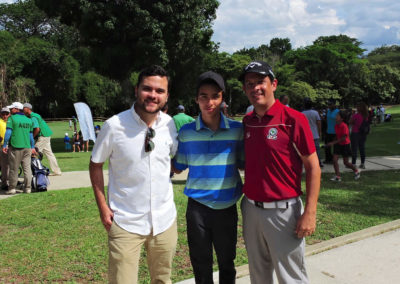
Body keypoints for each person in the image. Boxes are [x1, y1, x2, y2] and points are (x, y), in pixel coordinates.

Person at [89, 65, 178, 284]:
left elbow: (174, 161)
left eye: (160, 91)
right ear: (137, 89)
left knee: (163, 280)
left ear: (167, 95)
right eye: (148, 89)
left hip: (164, 220)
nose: (153, 95)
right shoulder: (114, 126)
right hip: (125, 220)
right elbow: (95, 165)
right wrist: (103, 207)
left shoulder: (169, 124)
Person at [239, 61, 321, 284]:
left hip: (284, 212)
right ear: (245, 89)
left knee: (291, 277)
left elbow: (313, 166)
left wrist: (310, 213)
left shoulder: (293, 119)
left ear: (273, 84)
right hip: (251, 209)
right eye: (249, 84)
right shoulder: (247, 122)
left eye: (261, 82)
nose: (255, 88)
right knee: (258, 275)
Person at [172, 71, 244, 284]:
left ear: (222, 98)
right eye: (203, 96)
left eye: (215, 96)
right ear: (196, 99)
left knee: (227, 263)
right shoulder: (186, 132)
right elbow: (177, 166)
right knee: (201, 264)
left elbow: (245, 162)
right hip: (197, 209)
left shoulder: (237, 130)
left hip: (227, 206)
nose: (209, 101)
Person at [2, 102, 36, 195]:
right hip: (27, 147)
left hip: (15, 147)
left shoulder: (12, 118)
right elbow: (31, 136)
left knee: (14, 169)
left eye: (12, 108)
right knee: (27, 168)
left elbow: (8, 132)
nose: (10, 110)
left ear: (17, 109)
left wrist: (5, 144)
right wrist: (32, 147)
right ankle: (27, 188)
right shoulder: (29, 120)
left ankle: (12, 188)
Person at [23, 103, 62, 176]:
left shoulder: (33, 117)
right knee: (49, 154)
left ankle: (35, 171)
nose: (23, 110)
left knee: (33, 152)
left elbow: (37, 129)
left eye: (24, 108)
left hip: (43, 136)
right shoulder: (35, 115)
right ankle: (57, 171)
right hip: (46, 135)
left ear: (28, 109)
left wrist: (32, 138)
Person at [326, 111, 361, 182]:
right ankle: (338, 176)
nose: (336, 117)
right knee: (334, 160)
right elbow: (337, 135)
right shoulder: (336, 125)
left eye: (337, 116)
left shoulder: (344, 126)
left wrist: (333, 142)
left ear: (341, 118)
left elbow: (344, 138)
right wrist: (332, 141)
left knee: (346, 163)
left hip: (345, 145)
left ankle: (356, 171)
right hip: (338, 144)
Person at [302, 98, 323, 168]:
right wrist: (320, 131)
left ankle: (309, 162)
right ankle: (319, 162)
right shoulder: (315, 113)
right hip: (315, 134)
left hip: (306, 135)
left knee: (307, 149)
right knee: (317, 149)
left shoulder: (302, 113)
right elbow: (319, 122)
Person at [349, 102, 369, 169]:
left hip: (355, 133)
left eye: (357, 106)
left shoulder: (356, 115)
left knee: (354, 149)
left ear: (360, 108)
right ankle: (362, 163)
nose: (356, 108)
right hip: (363, 133)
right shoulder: (366, 115)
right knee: (362, 148)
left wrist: (352, 116)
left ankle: (353, 164)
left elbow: (350, 122)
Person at [324, 99, 339, 163]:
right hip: (328, 131)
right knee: (327, 146)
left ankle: (334, 160)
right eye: (328, 104)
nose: (329, 106)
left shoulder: (338, 111)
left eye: (330, 104)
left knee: (336, 147)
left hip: (335, 132)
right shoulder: (328, 111)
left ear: (334, 104)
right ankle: (328, 159)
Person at [0, 107, 10, 190]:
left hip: (12, 145)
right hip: (3, 146)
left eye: (7, 114)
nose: (5, 115)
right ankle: (4, 183)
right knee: (5, 166)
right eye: (3, 114)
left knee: (11, 165)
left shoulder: (10, 122)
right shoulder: (0, 122)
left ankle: (11, 181)